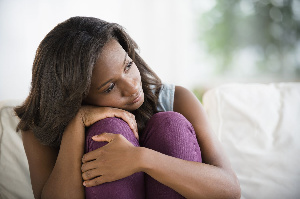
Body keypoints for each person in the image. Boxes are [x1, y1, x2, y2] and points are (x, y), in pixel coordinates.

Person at [14, 16, 241, 199]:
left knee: (170, 123)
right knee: (110, 128)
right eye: (110, 86)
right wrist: (76, 124)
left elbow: (230, 190)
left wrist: (141, 159)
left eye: (128, 66)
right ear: (75, 97)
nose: (132, 87)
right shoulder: (39, 127)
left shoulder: (178, 98)